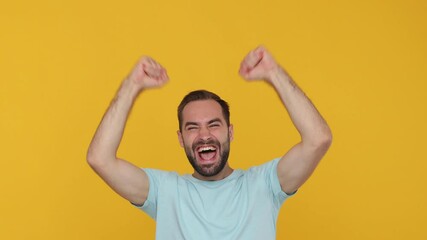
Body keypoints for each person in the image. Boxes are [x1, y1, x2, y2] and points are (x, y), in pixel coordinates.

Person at [87, 46, 332, 240]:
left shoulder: (264, 184)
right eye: (192, 127)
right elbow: (100, 159)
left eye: (214, 124)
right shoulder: (165, 191)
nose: (204, 135)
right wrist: (131, 86)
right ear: (181, 139)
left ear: (230, 132)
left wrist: (274, 73)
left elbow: (317, 139)